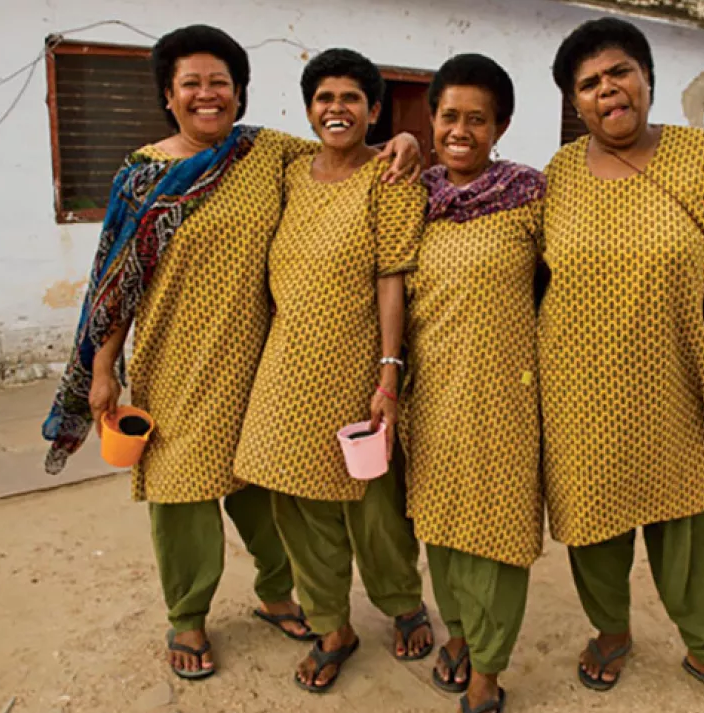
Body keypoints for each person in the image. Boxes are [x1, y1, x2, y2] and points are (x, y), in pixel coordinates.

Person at [41, 25, 421, 681]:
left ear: (240, 92)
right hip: (176, 361)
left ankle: (277, 592)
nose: (207, 95)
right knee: (182, 495)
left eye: (220, 82)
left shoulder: (261, 152)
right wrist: (103, 365)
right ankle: (186, 614)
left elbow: (344, 147)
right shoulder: (142, 176)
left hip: (263, 361)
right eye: (192, 83)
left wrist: (404, 140)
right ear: (169, 94)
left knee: (266, 492)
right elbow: (116, 278)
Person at [540, 17, 704, 713]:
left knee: (696, 522)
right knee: (594, 523)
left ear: (647, 80)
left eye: (618, 72)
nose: (607, 89)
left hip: (676, 385)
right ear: (576, 104)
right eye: (588, 84)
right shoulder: (557, 175)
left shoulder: (699, 157)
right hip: (577, 391)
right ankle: (611, 631)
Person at [231, 48, 432, 693]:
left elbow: (392, 277)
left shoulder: (391, 177)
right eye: (324, 98)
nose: (336, 109)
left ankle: (402, 603)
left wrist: (388, 372)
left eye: (351, 98)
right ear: (308, 108)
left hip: (359, 366)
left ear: (374, 109)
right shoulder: (289, 169)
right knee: (295, 503)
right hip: (286, 367)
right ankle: (332, 625)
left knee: (375, 505)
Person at [402, 53, 544, 713]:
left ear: (501, 126)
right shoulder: (410, 194)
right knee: (442, 520)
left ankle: (488, 665)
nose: (461, 130)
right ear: (432, 120)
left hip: (507, 391)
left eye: (477, 119)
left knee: (501, 530)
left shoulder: (531, 196)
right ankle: (457, 631)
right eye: (449, 116)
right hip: (429, 392)